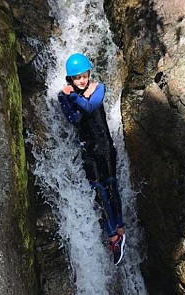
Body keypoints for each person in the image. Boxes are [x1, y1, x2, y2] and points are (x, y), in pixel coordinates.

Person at [58, 53, 126, 265]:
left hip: (104, 146)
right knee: (98, 192)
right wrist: (70, 97)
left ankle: (120, 229)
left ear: (89, 73)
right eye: (76, 77)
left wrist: (74, 97)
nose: (81, 80)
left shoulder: (98, 88)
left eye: (84, 75)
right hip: (87, 149)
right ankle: (113, 235)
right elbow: (75, 118)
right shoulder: (64, 96)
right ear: (70, 79)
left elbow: (89, 108)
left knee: (112, 186)